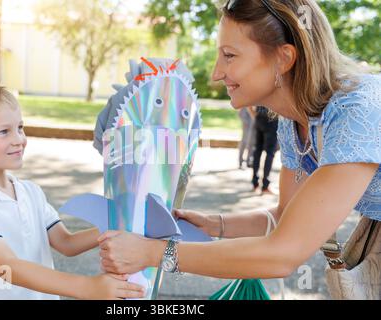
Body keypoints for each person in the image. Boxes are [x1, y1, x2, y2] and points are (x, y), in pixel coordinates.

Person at [96, 0, 380, 284]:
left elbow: (283, 253)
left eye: (229, 56)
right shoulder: (293, 122)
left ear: (284, 58)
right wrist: (215, 224)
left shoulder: (355, 113)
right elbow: (285, 216)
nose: (216, 74)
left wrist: (153, 253)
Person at [0, 84, 144, 300]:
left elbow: (67, 243)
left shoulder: (30, 191)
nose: (19, 139)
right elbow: (7, 267)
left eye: (20, 127)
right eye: (3, 132)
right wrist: (88, 288)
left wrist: (120, 221)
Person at [250, 106, 278, 194]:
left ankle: (255, 183)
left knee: (257, 151)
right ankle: (265, 185)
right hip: (271, 119)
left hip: (259, 117)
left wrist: (253, 113)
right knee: (270, 153)